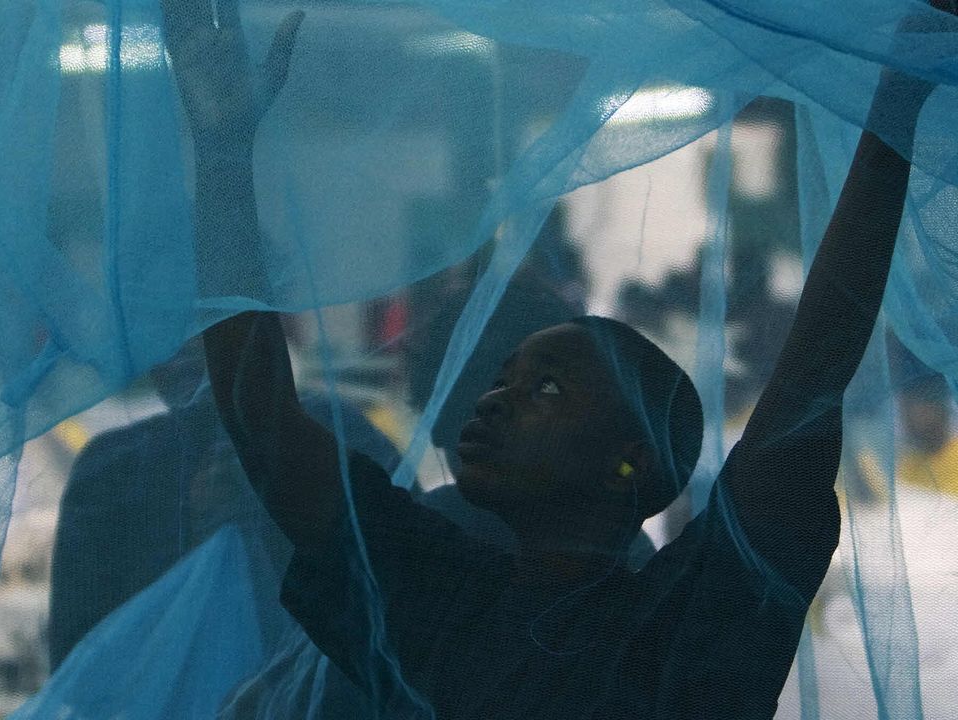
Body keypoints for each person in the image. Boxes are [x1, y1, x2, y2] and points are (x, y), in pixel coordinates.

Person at [162, 0, 953, 717]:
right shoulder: (433, 584)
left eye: (545, 388)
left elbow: (819, 355)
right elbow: (260, 418)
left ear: (629, 463)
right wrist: (224, 158)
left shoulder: (698, 615)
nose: (492, 400)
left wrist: (896, 105)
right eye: (503, 379)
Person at [48, 340, 401, 669]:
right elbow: (80, 663)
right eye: (161, 317)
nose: (183, 342)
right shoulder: (110, 470)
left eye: (208, 313)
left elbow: (413, 608)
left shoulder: (342, 439)